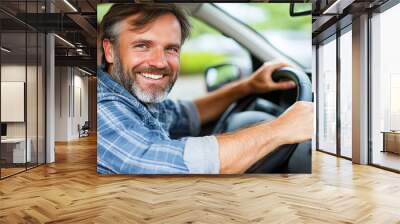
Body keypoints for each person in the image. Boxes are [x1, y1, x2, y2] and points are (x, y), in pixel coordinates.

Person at [97, 3, 314, 174]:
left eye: (171, 49)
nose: (160, 62)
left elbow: (185, 113)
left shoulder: (132, 98)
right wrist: (280, 128)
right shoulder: (100, 104)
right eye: (142, 46)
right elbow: (159, 163)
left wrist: (247, 86)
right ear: (110, 51)